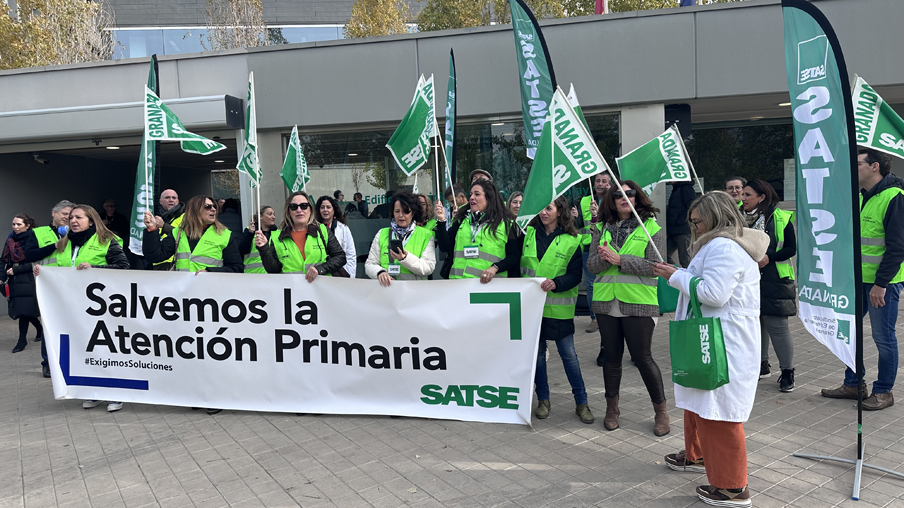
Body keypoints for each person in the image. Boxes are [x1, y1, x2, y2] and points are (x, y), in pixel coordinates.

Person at [653, 191, 768, 507]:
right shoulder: (720, 244)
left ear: (716, 217)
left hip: (723, 341)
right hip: (710, 336)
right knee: (700, 401)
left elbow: (714, 294)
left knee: (720, 412)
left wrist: (675, 276)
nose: (693, 228)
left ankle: (732, 487)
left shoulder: (724, 247)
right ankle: (698, 454)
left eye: (698, 222)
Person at [822, 149, 904, 410]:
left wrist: (881, 284)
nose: (853, 168)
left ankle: (884, 392)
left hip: (882, 284)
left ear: (874, 166)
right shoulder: (860, 196)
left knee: (883, 337)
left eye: (857, 163)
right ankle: (854, 384)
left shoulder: (894, 197)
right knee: (850, 333)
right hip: (856, 281)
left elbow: (898, 247)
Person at [587, 180, 669, 436]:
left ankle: (661, 412)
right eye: (618, 194)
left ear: (637, 198)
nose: (624, 197)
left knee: (643, 358)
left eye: (629, 193)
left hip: (639, 302)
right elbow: (591, 266)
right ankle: (612, 409)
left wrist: (621, 260)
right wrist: (603, 259)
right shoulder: (600, 227)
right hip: (605, 302)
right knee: (611, 359)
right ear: (610, 200)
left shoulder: (651, 227)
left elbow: (656, 266)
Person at [34, 204, 131, 412]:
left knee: (107, 350)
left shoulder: (106, 241)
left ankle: (115, 392)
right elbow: (60, 271)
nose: (74, 221)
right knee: (85, 350)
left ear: (91, 220)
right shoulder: (63, 244)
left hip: (103, 307)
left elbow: (123, 268)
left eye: (79, 217)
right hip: (74, 308)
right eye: (71, 218)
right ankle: (93, 391)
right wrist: (42, 271)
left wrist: (94, 269)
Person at [522, 197, 593, 424]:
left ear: (559, 212)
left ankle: (581, 402)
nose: (543, 212)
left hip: (559, 311)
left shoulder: (572, 240)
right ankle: (543, 400)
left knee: (569, 356)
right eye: (541, 208)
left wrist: (557, 283)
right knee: (539, 357)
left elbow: (575, 275)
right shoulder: (528, 234)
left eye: (549, 208)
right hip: (532, 310)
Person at [741, 179, 797, 391]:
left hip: (775, 279)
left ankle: (787, 371)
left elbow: (791, 248)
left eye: (748, 195)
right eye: (743, 194)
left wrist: (769, 257)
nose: (743, 198)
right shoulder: (738, 217)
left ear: (761, 197)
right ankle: (761, 365)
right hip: (748, 279)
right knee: (756, 324)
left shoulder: (780, 217)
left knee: (777, 326)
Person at [24, 199, 75, 376]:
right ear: (54, 213)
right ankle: (47, 362)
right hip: (47, 285)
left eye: (70, 216)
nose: (67, 218)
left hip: (70, 284)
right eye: (64, 214)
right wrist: (54, 246)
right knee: (49, 324)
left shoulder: (75, 232)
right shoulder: (38, 233)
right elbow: (29, 255)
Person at [435, 179, 521, 282]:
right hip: (459, 284)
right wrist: (441, 221)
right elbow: (445, 247)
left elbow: (515, 257)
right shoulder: (462, 219)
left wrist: (496, 267)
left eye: (477, 194)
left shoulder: (506, 224)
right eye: (471, 194)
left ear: (489, 198)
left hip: (488, 287)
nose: (471, 197)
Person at [255, 191, 347, 280]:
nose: (299, 210)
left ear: (310, 209)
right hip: (292, 292)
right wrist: (264, 249)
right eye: (294, 207)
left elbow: (340, 257)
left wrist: (320, 269)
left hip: (320, 291)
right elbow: (273, 270)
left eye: (304, 206)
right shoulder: (277, 236)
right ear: (288, 211)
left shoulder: (322, 231)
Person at [142, 196, 243, 275]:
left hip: (210, 292)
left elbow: (237, 268)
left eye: (214, 207)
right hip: (183, 293)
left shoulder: (224, 235)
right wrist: (152, 229)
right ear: (195, 210)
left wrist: (210, 272)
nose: (213, 209)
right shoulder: (178, 232)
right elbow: (154, 256)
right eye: (208, 207)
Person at [365, 192, 436, 285]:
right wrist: (379, 272)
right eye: (397, 211)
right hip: (388, 292)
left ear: (413, 213)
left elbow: (428, 268)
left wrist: (405, 258)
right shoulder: (382, 233)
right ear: (392, 212)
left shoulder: (426, 235)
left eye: (406, 211)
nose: (401, 215)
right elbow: (370, 264)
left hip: (415, 293)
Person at [574, 172, 611, 340]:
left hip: (610, 248)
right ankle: (595, 318)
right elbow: (579, 225)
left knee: (609, 283)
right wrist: (575, 219)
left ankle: (609, 316)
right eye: (598, 181)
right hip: (589, 247)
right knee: (590, 286)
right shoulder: (584, 201)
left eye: (604, 181)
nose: (600, 184)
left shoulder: (614, 199)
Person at [2, 214, 42, 356]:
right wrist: (2, 276)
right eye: (14, 224)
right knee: (21, 308)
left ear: (27, 225)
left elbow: (37, 261)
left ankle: (22, 340)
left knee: (24, 308)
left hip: (27, 276)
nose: (15, 227)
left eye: (19, 224)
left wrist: (17, 269)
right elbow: (4, 259)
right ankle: (40, 329)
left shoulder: (34, 238)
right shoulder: (10, 239)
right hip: (13, 278)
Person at [316, 196, 357, 277]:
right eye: (322, 207)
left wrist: (350, 274)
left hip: (340, 273)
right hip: (320, 273)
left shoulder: (343, 228)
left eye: (328, 207)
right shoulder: (313, 228)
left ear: (333, 210)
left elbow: (350, 254)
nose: (325, 210)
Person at [151, 189, 184, 270]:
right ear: (160, 201)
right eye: (167, 197)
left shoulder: (185, 216)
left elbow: (183, 236)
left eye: (174, 198)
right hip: (158, 263)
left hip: (174, 262)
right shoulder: (157, 217)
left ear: (178, 201)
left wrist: (164, 226)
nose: (171, 200)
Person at [667, 181, 696, 268]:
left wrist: (681, 220)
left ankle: (687, 278)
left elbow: (692, 206)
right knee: (663, 255)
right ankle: (676, 274)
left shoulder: (686, 188)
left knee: (685, 259)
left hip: (683, 229)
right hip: (673, 230)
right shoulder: (676, 188)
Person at [241, 205, 277, 274]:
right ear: (260, 217)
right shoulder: (250, 231)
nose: (273, 217)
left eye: (274, 214)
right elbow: (242, 250)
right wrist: (249, 234)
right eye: (270, 214)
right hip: (251, 274)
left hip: (269, 275)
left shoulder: (277, 233)